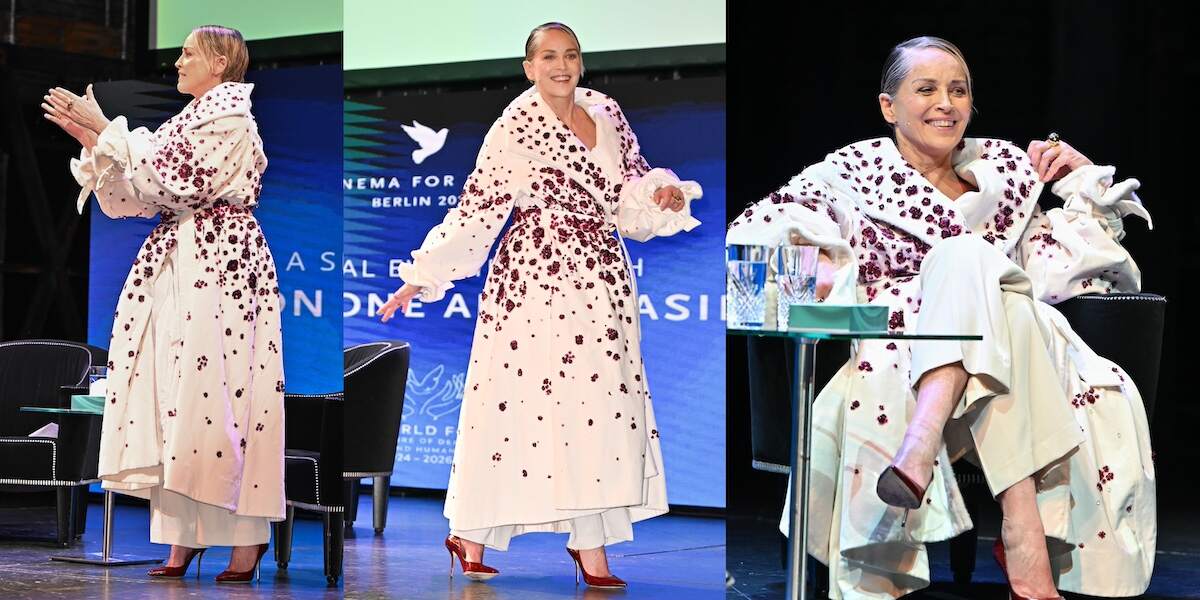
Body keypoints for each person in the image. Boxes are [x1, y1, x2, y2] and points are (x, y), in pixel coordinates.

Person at [727, 36, 1155, 600]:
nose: (945, 103)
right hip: (907, 345)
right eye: (925, 89)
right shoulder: (849, 173)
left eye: (959, 90)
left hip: (1009, 350)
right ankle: (1022, 531)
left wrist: (1077, 178)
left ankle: (918, 449)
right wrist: (830, 270)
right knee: (986, 278)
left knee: (994, 283)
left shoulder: (1006, 175)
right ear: (889, 107)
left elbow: (1072, 268)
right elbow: (754, 241)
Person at [378, 22, 703, 589]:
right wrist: (422, 275)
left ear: (582, 63)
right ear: (528, 67)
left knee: (600, 407)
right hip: (536, 276)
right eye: (548, 57)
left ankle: (592, 547)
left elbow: (629, 184)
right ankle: (471, 533)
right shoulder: (517, 124)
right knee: (515, 404)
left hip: (602, 274)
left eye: (571, 55)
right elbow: (477, 208)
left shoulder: (605, 110)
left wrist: (660, 194)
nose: (561, 66)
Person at [43, 24, 284, 583]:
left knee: (224, 399)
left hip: (222, 264)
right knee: (175, 396)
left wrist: (108, 130)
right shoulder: (186, 120)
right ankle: (181, 537)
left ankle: (244, 541)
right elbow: (134, 196)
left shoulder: (230, 117)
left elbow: (179, 181)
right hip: (175, 259)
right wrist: (94, 145)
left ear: (220, 62)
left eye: (187, 54)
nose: (177, 63)